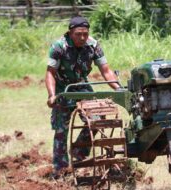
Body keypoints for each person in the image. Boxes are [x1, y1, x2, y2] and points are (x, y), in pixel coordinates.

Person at [45, 16, 120, 176]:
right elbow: (50, 73)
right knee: (61, 130)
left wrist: (118, 88)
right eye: (78, 34)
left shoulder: (93, 45)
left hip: (81, 85)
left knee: (98, 120)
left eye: (85, 34)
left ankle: (79, 151)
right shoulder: (59, 46)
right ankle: (61, 169)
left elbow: (106, 70)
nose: (82, 37)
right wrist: (52, 95)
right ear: (70, 33)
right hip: (63, 88)